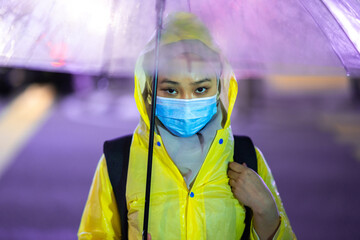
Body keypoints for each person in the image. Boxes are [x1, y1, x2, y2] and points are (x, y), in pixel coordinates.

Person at [78, 12, 296, 239]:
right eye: (171, 90)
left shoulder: (247, 159)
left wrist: (267, 213)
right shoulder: (119, 161)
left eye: (200, 89)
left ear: (219, 87)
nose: (186, 101)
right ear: (149, 91)